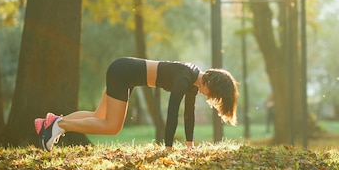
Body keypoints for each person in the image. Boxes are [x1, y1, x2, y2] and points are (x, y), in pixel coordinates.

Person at [34, 57, 238, 151]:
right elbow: (173, 112)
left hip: (125, 72)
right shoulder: (185, 79)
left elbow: (188, 115)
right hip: (121, 73)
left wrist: (189, 146)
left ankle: (53, 121)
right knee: (112, 126)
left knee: (98, 115)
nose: (209, 97)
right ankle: (59, 126)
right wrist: (167, 149)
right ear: (210, 83)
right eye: (214, 94)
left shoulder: (193, 81)